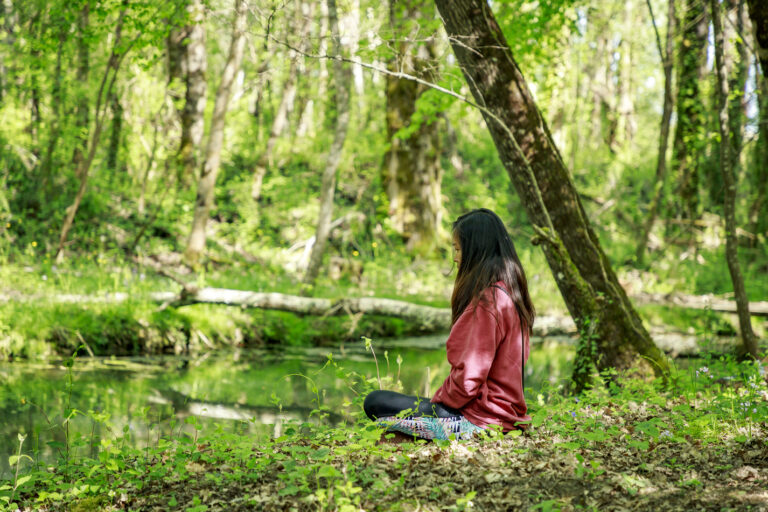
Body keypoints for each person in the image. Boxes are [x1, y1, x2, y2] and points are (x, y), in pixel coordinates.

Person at [363, 208, 535, 441]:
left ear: (475, 250)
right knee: (394, 402)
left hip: (479, 420)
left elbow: (467, 383)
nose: (455, 257)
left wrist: (439, 403)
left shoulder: (487, 301)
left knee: (375, 402)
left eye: (457, 249)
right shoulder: (509, 293)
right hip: (503, 414)